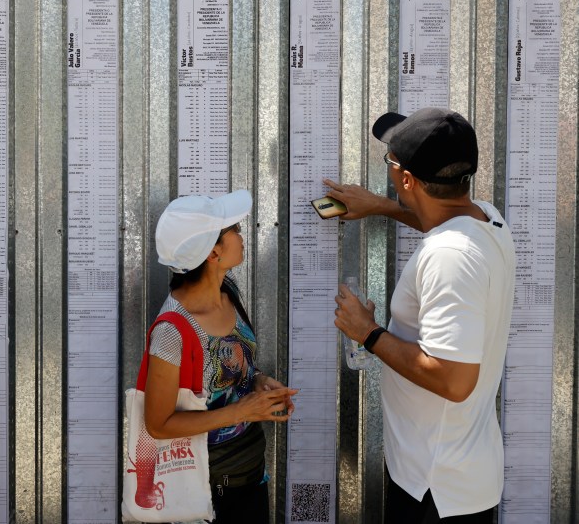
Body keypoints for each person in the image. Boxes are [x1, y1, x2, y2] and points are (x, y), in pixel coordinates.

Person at [325, 108, 515, 523]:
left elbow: (454, 379)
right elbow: (440, 224)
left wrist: (368, 332)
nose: (390, 170)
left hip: (436, 490)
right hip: (455, 473)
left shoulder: (450, 258)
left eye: (390, 163)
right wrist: (381, 206)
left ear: (407, 180)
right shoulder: (487, 218)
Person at [142, 190, 298, 523]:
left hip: (253, 474)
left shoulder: (228, 292)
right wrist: (241, 411)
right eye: (235, 231)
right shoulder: (172, 331)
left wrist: (257, 383)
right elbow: (157, 424)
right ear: (213, 251)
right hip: (208, 490)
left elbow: (238, 366)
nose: (242, 236)